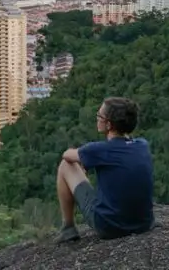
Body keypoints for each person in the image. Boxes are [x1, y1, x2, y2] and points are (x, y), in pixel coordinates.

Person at [55, 97, 154, 242]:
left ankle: (68, 228)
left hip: (109, 227)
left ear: (108, 124)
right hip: (144, 224)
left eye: (99, 116)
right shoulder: (142, 145)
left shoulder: (99, 150)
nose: (97, 118)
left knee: (65, 165)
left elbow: (67, 155)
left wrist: (81, 160)